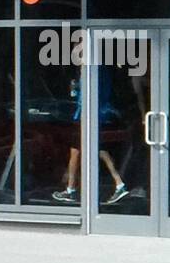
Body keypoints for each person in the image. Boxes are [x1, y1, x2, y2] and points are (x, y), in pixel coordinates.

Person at [53, 65, 130, 205]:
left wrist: (76, 92)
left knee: (76, 151)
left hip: (87, 115)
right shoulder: (102, 69)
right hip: (100, 114)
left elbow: (84, 96)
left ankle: (70, 189)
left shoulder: (92, 69)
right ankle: (119, 183)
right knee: (100, 150)